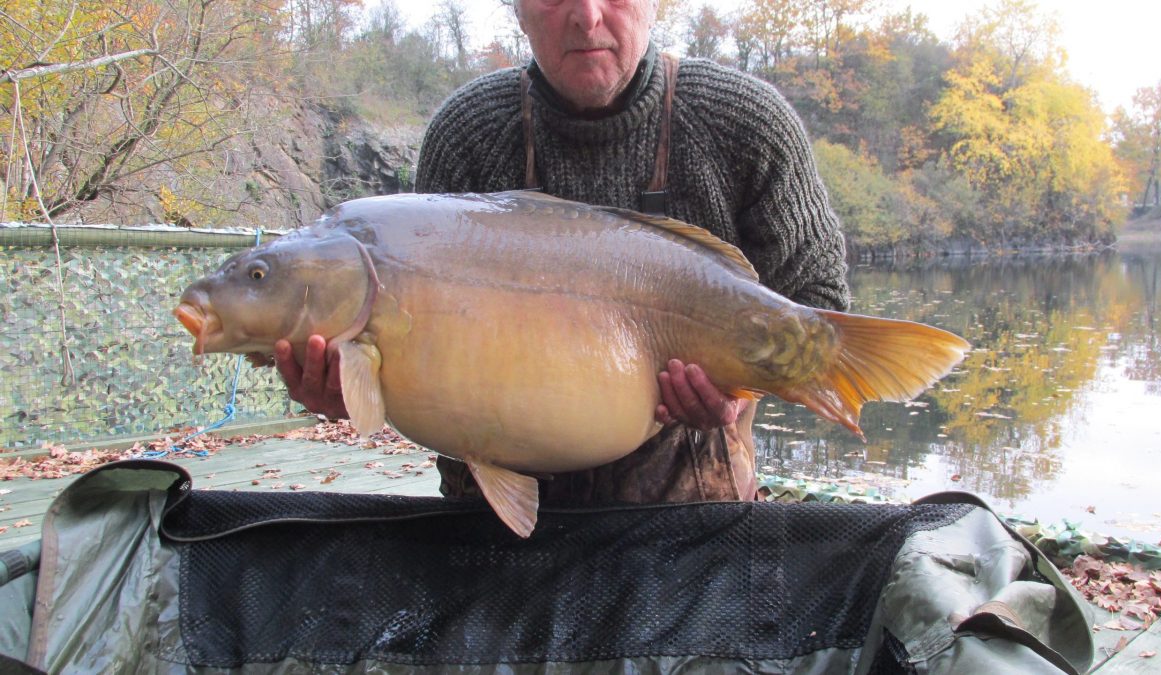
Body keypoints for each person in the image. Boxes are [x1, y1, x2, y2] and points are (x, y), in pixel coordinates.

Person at [274, 0, 849, 506]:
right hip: (493, 513)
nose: (587, 15)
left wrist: (732, 392)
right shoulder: (468, 131)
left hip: (688, 508)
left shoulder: (745, 122)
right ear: (517, 9)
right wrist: (349, 386)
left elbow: (818, 301)